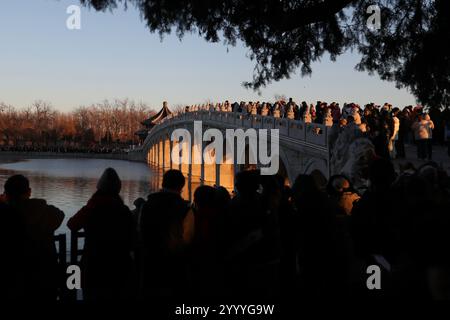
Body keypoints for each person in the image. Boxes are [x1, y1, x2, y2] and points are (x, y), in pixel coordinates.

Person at [67, 168, 133, 300]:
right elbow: (133, 237)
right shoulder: (124, 210)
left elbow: (72, 224)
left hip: (93, 263)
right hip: (119, 266)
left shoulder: (93, 207)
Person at [3, 174, 64, 300]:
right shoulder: (46, 212)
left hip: (13, 284)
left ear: (6, 194)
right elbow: (60, 214)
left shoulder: (5, 215)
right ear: (29, 192)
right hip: (45, 282)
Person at [139, 170, 194, 298]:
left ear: (163, 183)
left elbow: (141, 231)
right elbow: (188, 237)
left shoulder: (147, 205)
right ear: (181, 186)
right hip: (174, 266)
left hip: (150, 262)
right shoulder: (185, 209)